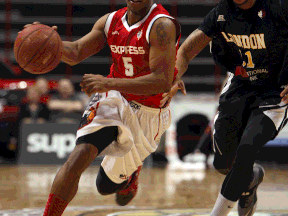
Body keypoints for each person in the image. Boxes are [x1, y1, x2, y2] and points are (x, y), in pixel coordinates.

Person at [23, 0, 183, 215]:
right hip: (114, 97)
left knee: (106, 187)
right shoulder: (110, 21)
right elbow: (78, 51)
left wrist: (108, 82)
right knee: (79, 155)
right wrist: (49, 42)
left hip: (149, 110)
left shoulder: (161, 25)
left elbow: (161, 81)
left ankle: (131, 173)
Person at [161, 0, 288, 215]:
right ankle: (250, 179)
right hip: (240, 87)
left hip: (274, 91)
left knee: (247, 148)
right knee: (223, 163)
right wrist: (173, 77)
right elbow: (186, 50)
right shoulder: (221, 13)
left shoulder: (278, 7)